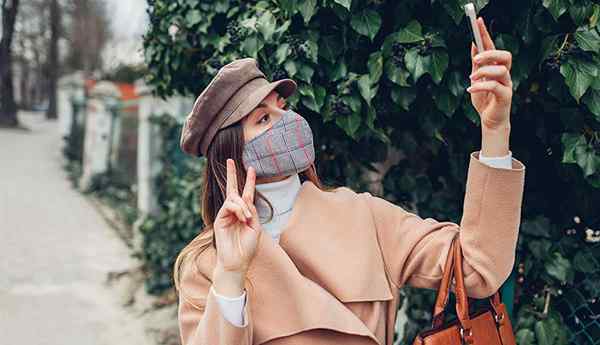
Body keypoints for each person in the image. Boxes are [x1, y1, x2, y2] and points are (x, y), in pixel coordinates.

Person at [174, 16, 525, 345]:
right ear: (231, 151)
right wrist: (232, 274)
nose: (286, 120)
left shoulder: (365, 216)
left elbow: (479, 269)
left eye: (283, 106)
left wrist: (495, 131)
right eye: (264, 118)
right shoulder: (206, 264)